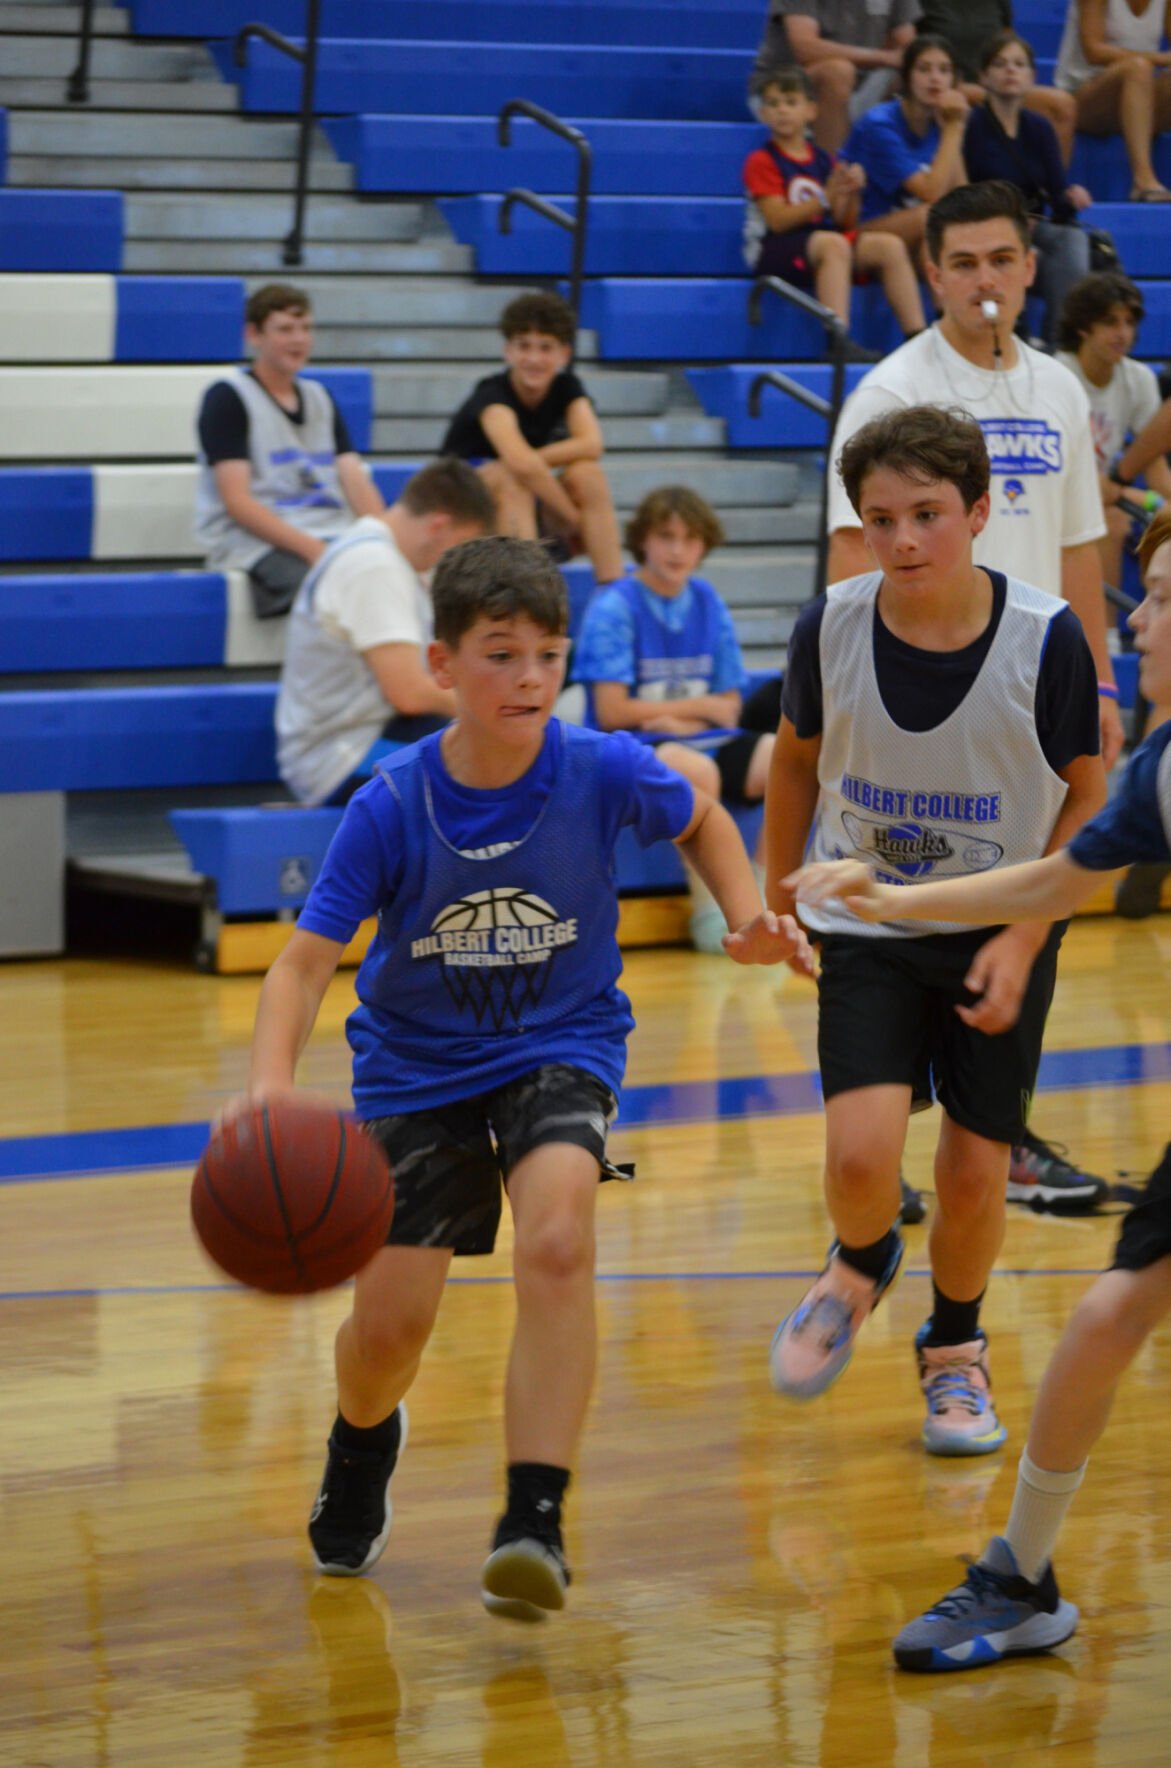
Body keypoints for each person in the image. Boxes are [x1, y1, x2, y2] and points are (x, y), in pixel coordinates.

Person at [239, 534, 813, 1617]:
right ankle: (363, 1440)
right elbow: (303, 963)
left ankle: (533, 1517)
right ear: (443, 666)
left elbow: (695, 808)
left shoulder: (597, 765)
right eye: (501, 654)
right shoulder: (391, 801)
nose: (533, 677)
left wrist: (745, 920)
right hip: (416, 1069)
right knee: (390, 1331)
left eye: (548, 653)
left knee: (557, 1236)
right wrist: (269, 1089)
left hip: (565, 1040)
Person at [788, 506, 1171, 1670]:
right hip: (902, 922)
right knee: (1107, 1312)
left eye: (1159, 596)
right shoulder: (1162, 766)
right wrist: (885, 901)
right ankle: (1019, 1575)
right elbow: (1059, 874)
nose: (1138, 619)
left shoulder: (1050, 652)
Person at [765, 405, 1106, 1453]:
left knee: (970, 1171)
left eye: (925, 514)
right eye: (878, 518)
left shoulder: (1043, 637)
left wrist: (1021, 935)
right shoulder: (829, 622)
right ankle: (861, 1260)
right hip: (865, 918)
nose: (903, 538)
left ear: (979, 509)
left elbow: (1089, 801)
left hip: (998, 924)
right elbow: (791, 759)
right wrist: (780, 893)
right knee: (862, 1155)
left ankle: (954, 1351)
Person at [571, 485, 775, 952]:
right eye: (666, 536)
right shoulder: (615, 606)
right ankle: (714, 915)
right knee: (695, 769)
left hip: (702, 737)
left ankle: (761, 890)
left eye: (690, 538)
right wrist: (691, 712)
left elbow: (728, 705)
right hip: (628, 749)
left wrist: (673, 716)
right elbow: (612, 711)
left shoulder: (708, 601)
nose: (678, 549)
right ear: (643, 540)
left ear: (705, 544)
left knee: (788, 754)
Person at [275, 459, 494, 806]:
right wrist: (494, 707)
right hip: (342, 758)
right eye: (462, 542)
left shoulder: (383, 555)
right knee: (496, 748)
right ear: (440, 525)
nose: (455, 557)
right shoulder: (374, 565)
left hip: (361, 739)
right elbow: (409, 694)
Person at [194, 282, 386, 618]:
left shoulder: (320, 396)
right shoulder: (227, 397)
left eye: (306, 328)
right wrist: (315, 551)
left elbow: (354, 478)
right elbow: (237, 502)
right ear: (254, 335)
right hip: (257, 542)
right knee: (331, 590)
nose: (298, 339)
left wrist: (386, 538)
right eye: (285, 329)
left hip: (330, 531)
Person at [441, 291, 624, 589]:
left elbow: (591, 444)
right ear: (508, 351)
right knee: (512, 477)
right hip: (464, 511)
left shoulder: (566, 387)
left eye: (545, 347)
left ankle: (614, 596)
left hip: (527, 508)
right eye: (523, 346)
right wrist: (576, 523)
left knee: (586, 473)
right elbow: (520, 464)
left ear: (563, 354)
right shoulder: (492, 395)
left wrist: (537, 460)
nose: (534, 358)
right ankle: (527, 597)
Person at [742, 66, 927, 339]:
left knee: (889, 245)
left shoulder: (823, 160)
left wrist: (851, 192)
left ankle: (917, 339)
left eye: (791, 102)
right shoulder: (762, 161)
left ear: (811, 111)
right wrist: (825, 197)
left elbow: (844, 221)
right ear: (763, 114)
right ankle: (837, 339)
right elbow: (778, 221)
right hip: (772, 248)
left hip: (820, 245)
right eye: (773, 104)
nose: (782, 110)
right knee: (833, 243)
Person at [965, 30, 1093, 346]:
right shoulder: (972, 126)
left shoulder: (1039, 128)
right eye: (1001, 64)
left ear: (1032, 76)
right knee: (1032, 256)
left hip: (1032, 226)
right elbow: (963, 191)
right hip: (984, 227)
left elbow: (1059, 204)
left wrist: (1072, 197)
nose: (1011, 71)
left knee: (1072, 240)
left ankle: (1061, 344)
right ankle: (1016, 335)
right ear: (984, 76)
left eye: (1019, 64)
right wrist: (1011, 218)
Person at [1056, 270, 1171, 588]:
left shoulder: (1139, 379)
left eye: (1129, 323)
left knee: (1162, 522)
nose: (1123, 333)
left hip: (1108, 493)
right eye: (1110, 322)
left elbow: (1154, 465)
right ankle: (1108, 636)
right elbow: (1056, 467)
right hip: (1058, 494)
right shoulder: (1057, 375)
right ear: (1082, 327)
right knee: (1111, 520)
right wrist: (1115, 491)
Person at [842, 35, 970, 268]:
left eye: (944, 70)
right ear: (906, 77)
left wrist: (953, 129)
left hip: (912, 231)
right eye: (924, 69)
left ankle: (947, 306)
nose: (935, 78)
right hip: (858, 232)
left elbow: (961, 197)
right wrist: (953, 129)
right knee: (932, 217)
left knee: (933, 247)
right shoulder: (880, 125)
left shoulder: (939, 122)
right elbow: (930, 193)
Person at [752, 0, 922, 153]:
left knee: (920, 71)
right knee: (838, 71)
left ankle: (912, 166)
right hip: (786, 89)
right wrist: (883, 57)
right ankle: (831, 172)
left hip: (862, 86)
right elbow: (804, 47)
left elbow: (907, 46)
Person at [916, 2, 1077, 159]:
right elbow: (912, 56)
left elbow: (1008, 42)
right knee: (990, 98)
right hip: (945, 83)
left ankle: (1051, 183)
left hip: (994, 80)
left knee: (1061, 105)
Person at [1054, 0, 1171, 201]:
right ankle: (1143, 181)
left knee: (1142, 70)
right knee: (1137, 68)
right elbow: (1094, 51)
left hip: (1139, 99)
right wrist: (1160, 59)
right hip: (1084, 97)